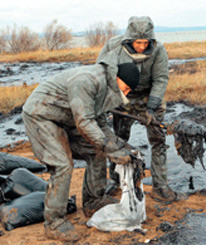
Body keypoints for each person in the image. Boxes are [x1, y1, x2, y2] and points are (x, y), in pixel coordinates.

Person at [22, 51, 140, 242]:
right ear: (116, 77)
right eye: (125, 88)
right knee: (62, 164)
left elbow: (100, 124)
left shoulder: (107, 88)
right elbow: (85, 123)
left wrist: (118, 145)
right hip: (41, 116)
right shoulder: (88, 80)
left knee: (97, 151)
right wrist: (109, 147)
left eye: (128, 92)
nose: (125, 94)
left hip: (66, 119)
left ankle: (93, 201)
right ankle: (54, 222)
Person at [96, 16, 187, 202]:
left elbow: (161, 79)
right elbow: (101, 73)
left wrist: (152, 108)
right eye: (138, 42)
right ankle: (116, 181)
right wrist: (107, 101)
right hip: (122, 97)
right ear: (130, 40)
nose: (142, 46)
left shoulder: (159, 50)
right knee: (118, 140)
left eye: (146, 42)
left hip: (149, 97)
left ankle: (160, 186)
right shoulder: (113, 47)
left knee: (158, 141)